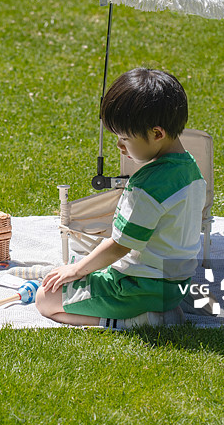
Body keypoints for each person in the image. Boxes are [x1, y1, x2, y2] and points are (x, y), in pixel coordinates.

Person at [36, 68, 206, 329]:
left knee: (45, 298)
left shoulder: (147, 187)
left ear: (157, 133)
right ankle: (154, 311)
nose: (119, 146)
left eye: (124, 138)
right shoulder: (191, 169)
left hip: (139, 288)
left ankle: (138, 321)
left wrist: (78, 269)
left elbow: (119, 246)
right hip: (175, 286)